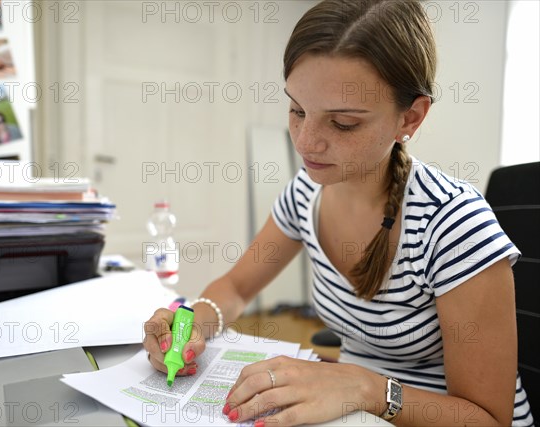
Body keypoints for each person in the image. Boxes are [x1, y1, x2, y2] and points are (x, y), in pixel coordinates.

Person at [143, 1, 534, 426]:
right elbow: (236, 287)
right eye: (297, 111)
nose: (306, 142)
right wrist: (191, 324)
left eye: (343, 123)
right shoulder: (305, 194)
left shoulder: (454, 224)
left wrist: (366, 388)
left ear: (411, 116)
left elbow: (490, 419)